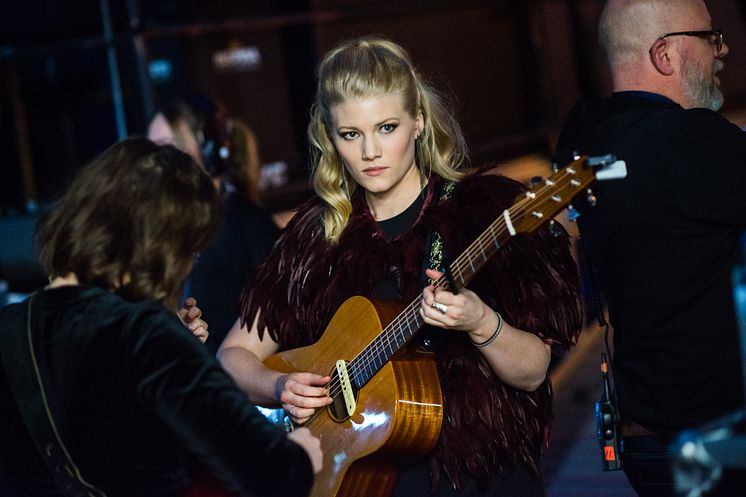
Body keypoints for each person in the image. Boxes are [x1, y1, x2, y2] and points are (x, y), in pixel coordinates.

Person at [218, 36, 583, 497]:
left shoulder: (480, 214)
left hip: (481, 481)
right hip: (361, 480)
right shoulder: (316, 235)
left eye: (386, 127)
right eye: (351, 134)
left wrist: (479, 321)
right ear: (330, 138)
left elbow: (533, 372)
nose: (370, 152)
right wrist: (280, 385)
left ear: (418, 122)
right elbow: (232, 358)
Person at [0, 138, 321, 497]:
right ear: (166, 248)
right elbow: (270, 472)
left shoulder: (11, 328)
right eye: (193, 251)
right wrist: (303, 455)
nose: (189, 267)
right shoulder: (142, 330)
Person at [555, 1, 746, 495]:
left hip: (645, 441)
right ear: (665, 54)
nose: (721, 50)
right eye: (710, 38)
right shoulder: (694, 144)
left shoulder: (581, 144)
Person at [188, 113, 280, 354]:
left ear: (209, 152)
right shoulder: (173, 232)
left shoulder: (246, 221)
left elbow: (286, 306)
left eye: (167, 145)